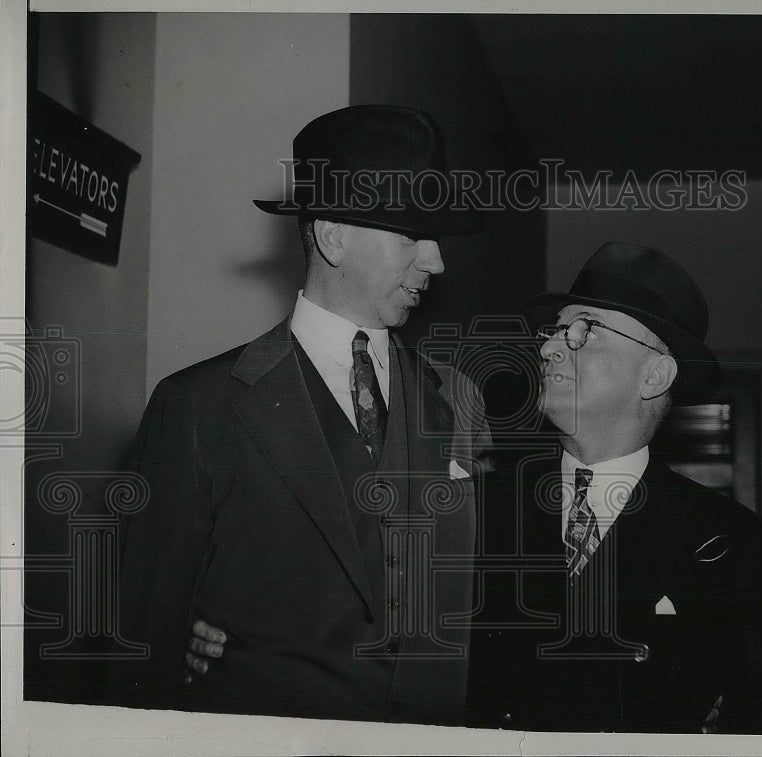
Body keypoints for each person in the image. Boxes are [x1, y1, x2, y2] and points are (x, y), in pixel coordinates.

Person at [113, 105, 492, 726]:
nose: (436, 261)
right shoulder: (197, 407)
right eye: (411, 236)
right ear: (333, 235)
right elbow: (139, 647)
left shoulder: (458, 399)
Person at [464, 242, 762, 733]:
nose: (549, 347)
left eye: (585, 330)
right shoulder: (478, 508)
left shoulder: (729, 541)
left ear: (655, 374)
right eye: (556, 329)